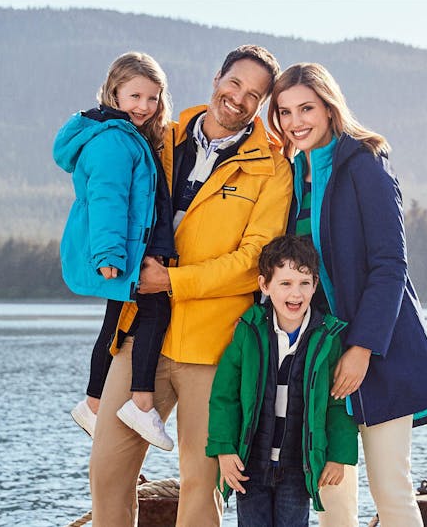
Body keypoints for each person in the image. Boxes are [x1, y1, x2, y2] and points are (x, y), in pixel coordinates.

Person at [88, 45, 292, 527]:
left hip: (214, 346)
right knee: (107, 471)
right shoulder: (160, 138)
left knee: (201, 487)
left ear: (261, 105)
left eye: (254, 95)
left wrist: (171, 281)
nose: (239, 98)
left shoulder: (273, 169)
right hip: (140, 336)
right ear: (217, 76)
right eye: (235, 83)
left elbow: (252, 264)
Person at [268, 62, 427, 526]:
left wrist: (362, 349)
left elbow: (390, 266)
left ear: (329, 108)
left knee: (391, 490)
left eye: (306, 108)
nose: (296, 121)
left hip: (379, 351)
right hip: (317, 354)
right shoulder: (293, 176)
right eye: (285, 111)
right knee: (332, 498)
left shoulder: (365, 164)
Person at [53, 52, 177, 450]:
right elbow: (107, 198)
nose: (144, 106)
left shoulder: (126, 133)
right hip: (122, 251)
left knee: (115, 322)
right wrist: (109, 256)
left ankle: (93, 402)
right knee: (155, 309)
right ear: (114, 93)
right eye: (135, 96)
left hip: (134, 246)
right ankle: (141, 401)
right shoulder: (113, 140)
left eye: (153, 98)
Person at [206, 235, 358, 527]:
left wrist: (339, 456)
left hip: (297, 466)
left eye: (304, 283)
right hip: (249, 462)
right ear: (265, 285)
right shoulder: (248, 331)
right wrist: (224, 449)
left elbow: (338, 404)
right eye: (285, 283)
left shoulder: (327, 338)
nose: (295, 293)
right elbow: (224, 396)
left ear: (315, 284)